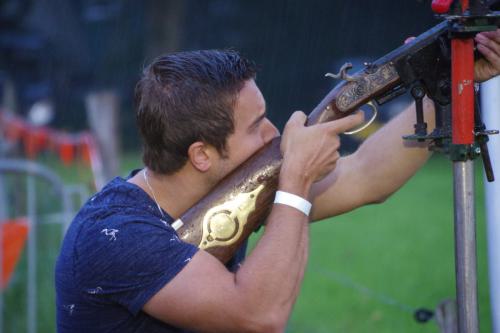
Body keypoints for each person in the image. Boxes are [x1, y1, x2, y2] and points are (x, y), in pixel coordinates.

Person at [55, 29, 500, 332]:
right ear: (202, 155)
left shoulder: (231, 189)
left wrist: (452, 80)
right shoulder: (115, 236)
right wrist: (295, 181)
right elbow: (259, 317)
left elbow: (367, 178)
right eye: (257, 125)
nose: (273, 135)